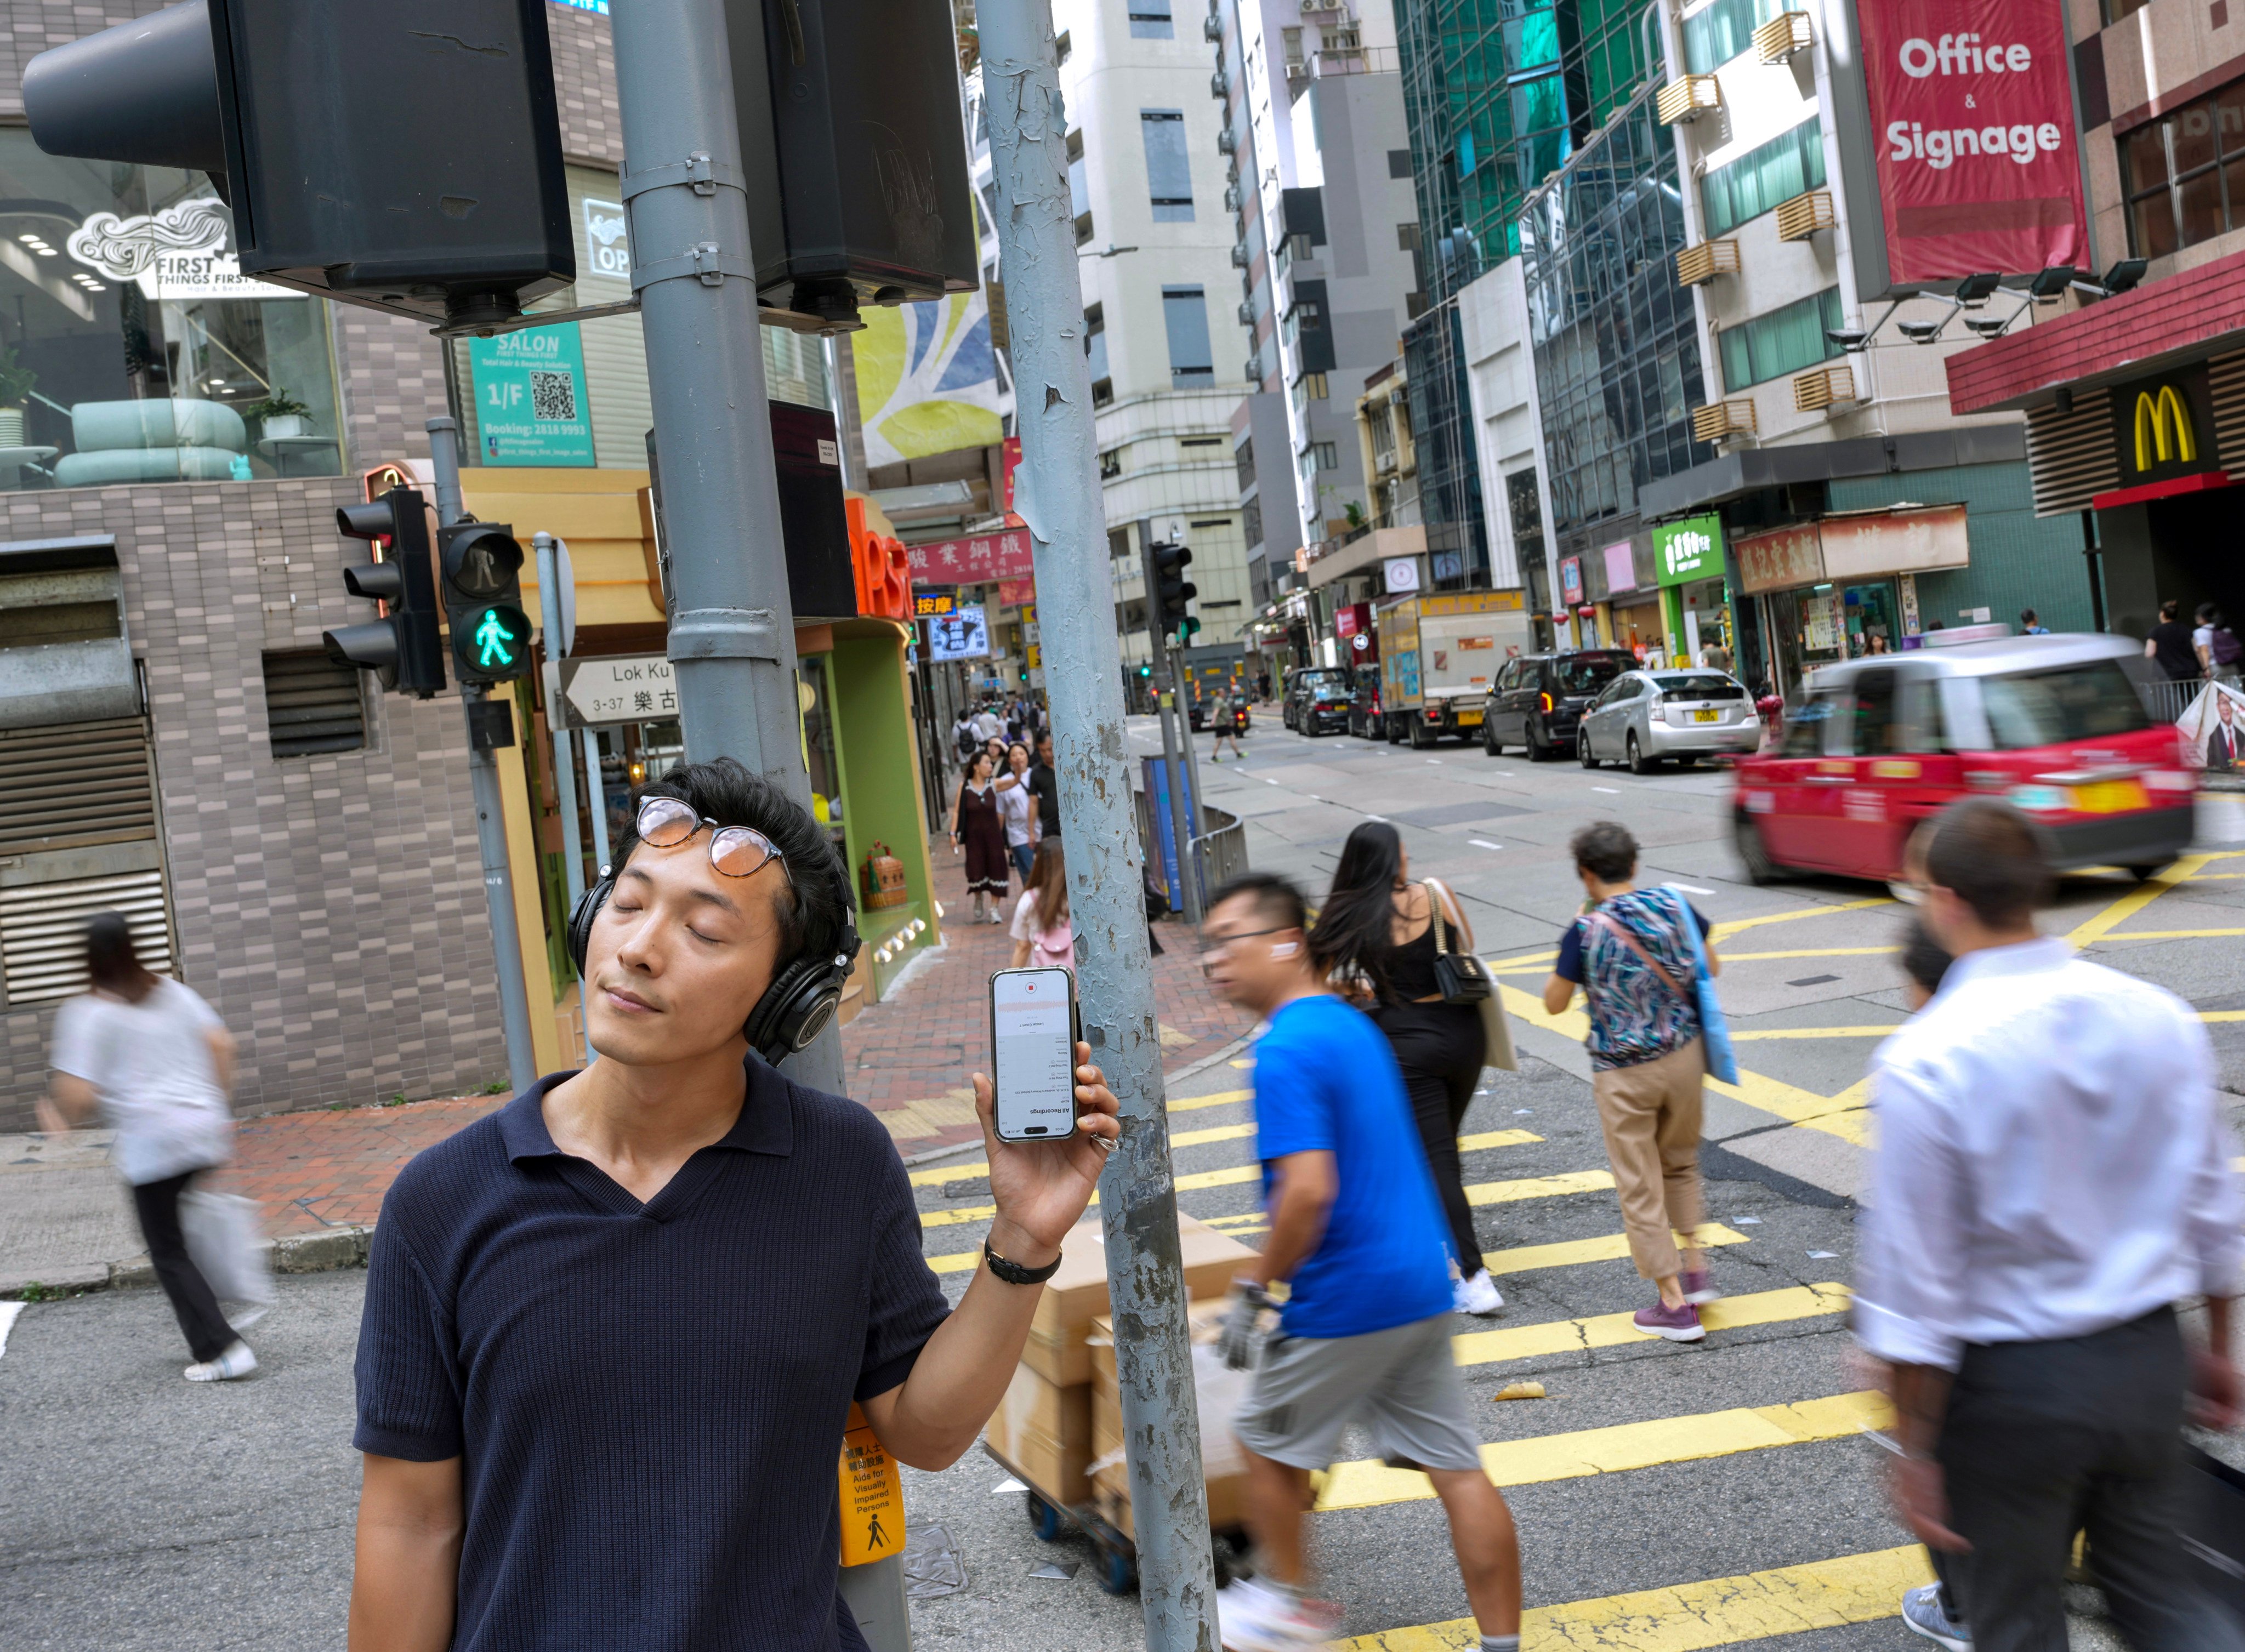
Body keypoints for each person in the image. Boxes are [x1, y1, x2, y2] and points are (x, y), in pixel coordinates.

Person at [348, 761, 1120, 1651]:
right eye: (629, 902)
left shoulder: (841, 1162)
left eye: (705, 930)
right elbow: (410, 1524)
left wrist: (1023, 1235)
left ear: (785, 998)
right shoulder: (442, 1201)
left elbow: (925, 1426)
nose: (637, 946)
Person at [1858, 800, 2243, 1652]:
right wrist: (2216, 1345)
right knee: (2164, 1600)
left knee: (2016, 1621)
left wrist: (1914, 1447)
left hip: (2008, 1394)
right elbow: (2212, 1211)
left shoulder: (1926, 1057)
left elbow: (1913, 1286)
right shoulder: (2156, 1015)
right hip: (2145, 1359)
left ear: (1946, 899)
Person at [1203, 873, 1522, 1652]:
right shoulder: (1353, 1027)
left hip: (1346, 1294)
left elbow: (1307, 1193)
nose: (1214, 961)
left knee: (1263, 1443)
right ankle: (1502, 1645)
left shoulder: (1286, 1048)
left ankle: (1286, 1604)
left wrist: (1253, 1289)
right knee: (1456, 1469)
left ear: (1284, 942)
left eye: (1227, 939)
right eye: (1206, 944)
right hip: (1420, 1282)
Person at [40, 914, 253, 1383]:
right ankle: (220, 1306)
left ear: (87, 959)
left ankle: (222, 1348)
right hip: (202, 1129)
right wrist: (212, 1106)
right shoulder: (173, 993)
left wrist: (60, 1118)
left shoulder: (88, 1011)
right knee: (187, 1230)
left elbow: (78, 1094)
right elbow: (223, 1044)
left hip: (154, 1143)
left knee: (167, 1249)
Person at [1308, 822, 1501, 1316]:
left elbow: (1310, 977)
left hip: (1408, 1044)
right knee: (1439, 1152)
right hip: (1465, 1034)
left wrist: (1356, 992)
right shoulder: (1437, 896)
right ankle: (1437, 1249)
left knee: (1435, 1159)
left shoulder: (1350, 911)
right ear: (1393, 860)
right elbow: (1466, 947)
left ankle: (1474, 1277)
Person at [1541, 822, 1721, 1342]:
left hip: (1624, 1072)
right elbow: (1710, 965)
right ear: (1635, 865)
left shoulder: (1586, 929)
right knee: (1680, 1162)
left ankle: (1673, 1305)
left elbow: (1553, 1002)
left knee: (1639, 1183)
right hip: (1684, 1057)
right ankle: (1695, 1268)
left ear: (1585, 874)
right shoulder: (1674, 905)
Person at [948, 747, 1010, 924]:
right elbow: (956, 812)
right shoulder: (965, 786)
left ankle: (994, 910)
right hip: (974, 839)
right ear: (976, 767)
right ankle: (978, 897)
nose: (990, 766)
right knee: (976, 871)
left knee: (997, 870)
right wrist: (952, 833)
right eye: (986, 763)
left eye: (991, 763)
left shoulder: (994, 783)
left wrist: (1017, 762)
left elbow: (1015, 781)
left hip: (994, 837)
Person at [1010, 839, 1073, 974]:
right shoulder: (1076, 897)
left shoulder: (1029, 899)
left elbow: (1023, 946)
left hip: (1043, 979)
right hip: (1074, 979)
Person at [996, 740, 1039, 884]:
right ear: (1009, 760)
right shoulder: (1004, 781)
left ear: (1027, 756)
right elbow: (1000, 812)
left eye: (1022, 753)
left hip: (1042, 832)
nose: (1019, 757)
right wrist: (999, 841)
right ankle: (1033, 904)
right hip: (1018, 835)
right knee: (1029, 875)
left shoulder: (1037, 775)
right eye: (1014, 755)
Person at [2146, 599, 2200, 682]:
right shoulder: (2186, 629)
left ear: (2162, 614)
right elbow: (2196, 649)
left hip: (2167, 673)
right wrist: (2205, 668)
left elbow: (2150, 653)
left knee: (2170, 695)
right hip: (2190, 672)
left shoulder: (2155, 631)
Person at [1028, 730, 1062, 842]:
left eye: (1050, 749)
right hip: (1050, 827)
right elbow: (1033, 802)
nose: (1047, 754)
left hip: (1073, 822)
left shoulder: (1066, 765)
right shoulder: (1036, 772)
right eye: (1043, 751)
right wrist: (1031, 832)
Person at [2208, 691, 2240, 773]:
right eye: (2223, 703)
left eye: (2228, 703)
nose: (2226, 708)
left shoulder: (2242, 735)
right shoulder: (2213, 738)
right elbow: (2211, 766)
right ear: (2218, 707)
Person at [1210, 691, 1243, 762]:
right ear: (1220, 693)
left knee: (1219, 741)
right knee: (1232, 738)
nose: (1225, 694)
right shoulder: (1219, 701)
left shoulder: (1218, 700)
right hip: (1222, 724)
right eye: (1223, 693)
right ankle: (1238, 754)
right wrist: (1213, 720)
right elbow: (1216, 711)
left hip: (1221, 724)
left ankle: (1214, 757)